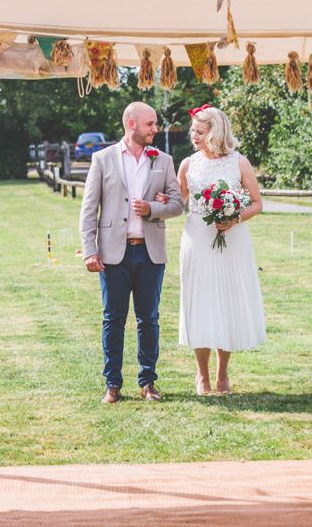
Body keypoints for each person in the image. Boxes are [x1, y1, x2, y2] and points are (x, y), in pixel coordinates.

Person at [79, 101, 184, 404]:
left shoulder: (163, 160)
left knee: (149, 319)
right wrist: (90, 250)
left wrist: (153, 208)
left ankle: (148, 382)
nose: (155, 129)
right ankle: (112, 384)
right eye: (150, 124)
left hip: (150, 253)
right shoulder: (102, 158)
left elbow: (177, 204)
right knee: (113, 319)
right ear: (131, 124)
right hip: (113, 254)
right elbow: (89, 209)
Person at [171, 105, 266, 395]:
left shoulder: (239, 162)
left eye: (199, 132)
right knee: (199, 301)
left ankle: (223, 373)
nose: (193, 136)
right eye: (193, 131)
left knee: (227, 300)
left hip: (232, 239)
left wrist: (234, 217)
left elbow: (257, 203)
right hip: (197, 237)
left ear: (216, 132)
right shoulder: (188, 164)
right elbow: (178, 202)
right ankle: (202, 375)